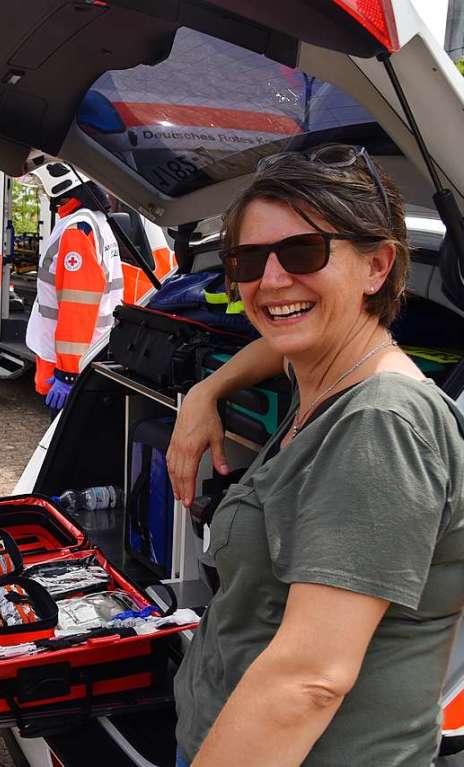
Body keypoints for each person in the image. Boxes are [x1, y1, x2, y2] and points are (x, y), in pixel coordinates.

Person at [163, 145, 464, 766]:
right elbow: (283, 334)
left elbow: (308, 681)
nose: (271, 280)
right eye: (247, 259)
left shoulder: (381, 424)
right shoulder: (327, 376)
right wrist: (206, 390)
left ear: (377, 266)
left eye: (304, 252)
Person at [25, 176, 121, 410]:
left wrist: (67, 373)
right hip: (92, 354)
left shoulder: (77, 230)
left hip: (71, 366)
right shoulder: (96, 221)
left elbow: (77, 304)